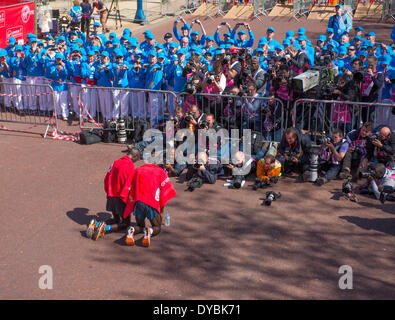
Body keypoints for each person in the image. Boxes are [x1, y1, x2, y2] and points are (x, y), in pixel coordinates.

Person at [87, 147, 141, 240]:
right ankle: (105, 228)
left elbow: (107, 177)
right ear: (135, 156)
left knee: (115, 219)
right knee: (125, 223)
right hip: (120, 197)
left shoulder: (116, 162)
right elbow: (129, 184)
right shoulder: (129, 165)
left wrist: (108, 191)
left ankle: (96, 224)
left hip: (111, 194)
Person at [123, 164, 177, 247]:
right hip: (151, 203)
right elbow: (163, 194)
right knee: (157, 227)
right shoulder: (160, 172)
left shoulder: (137, 170)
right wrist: (161, 211)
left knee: (140, 226)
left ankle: (132, 229)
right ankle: (149, 231)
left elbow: (129, 186)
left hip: (139, 202)